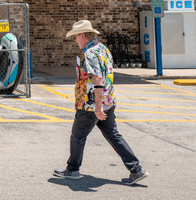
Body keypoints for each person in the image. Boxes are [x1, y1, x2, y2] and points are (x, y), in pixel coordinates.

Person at [53, 20, 148, 185]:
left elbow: (97, 78)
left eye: (75, 36)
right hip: (108, 100)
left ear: (83, 35)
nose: (75, 40)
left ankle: (72, 169)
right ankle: (136, 169)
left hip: (90, 104)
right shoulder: (103, 48)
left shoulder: (90, 53)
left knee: (78, 136)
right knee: (113, 135)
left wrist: (98, 107)